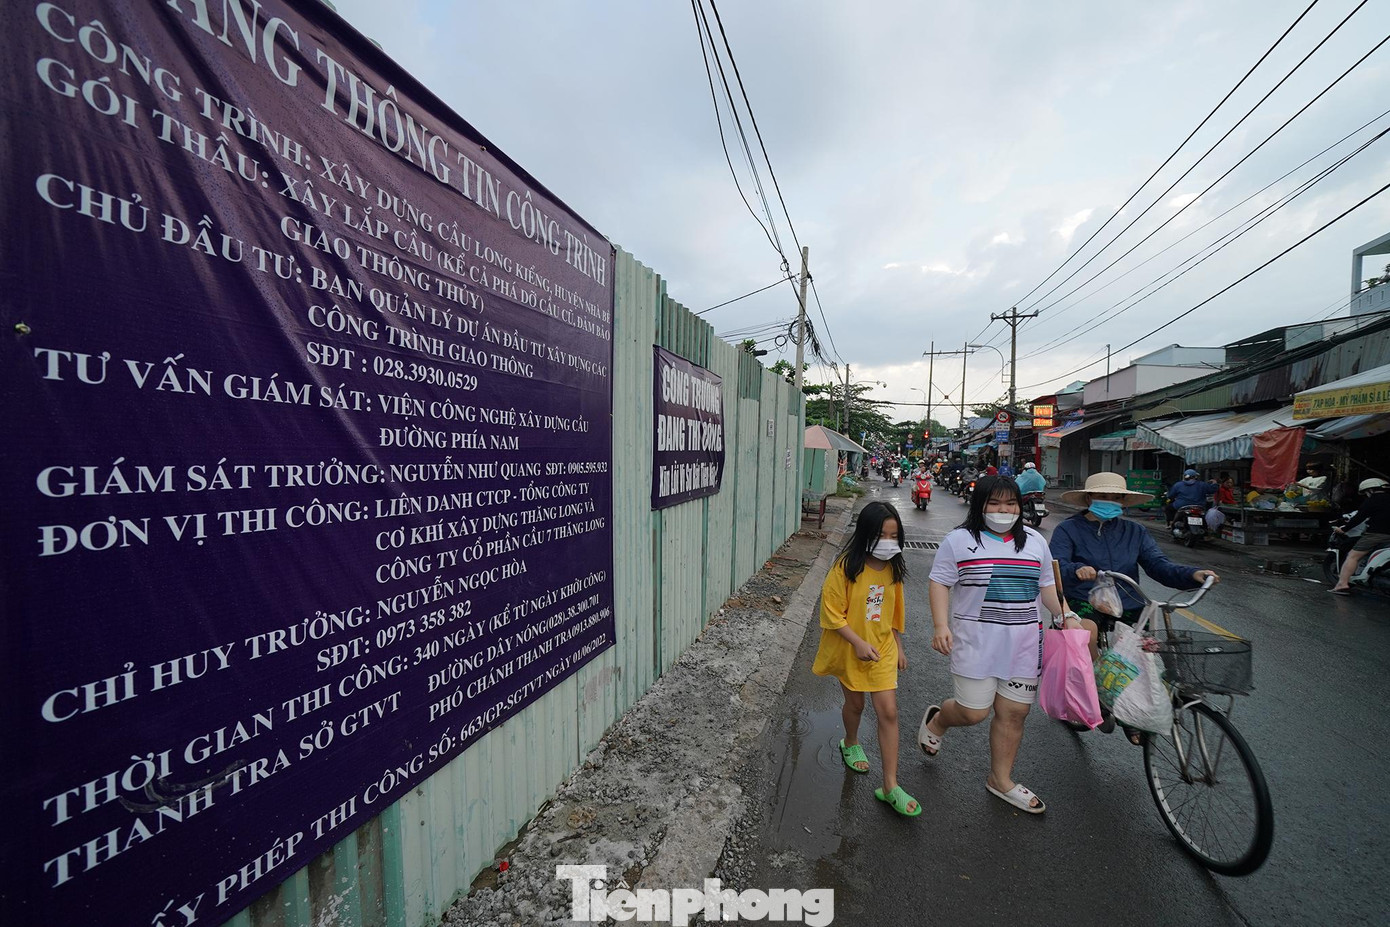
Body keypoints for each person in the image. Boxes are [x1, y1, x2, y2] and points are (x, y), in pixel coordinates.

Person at [917, 476, 1078, 815]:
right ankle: (939, 721)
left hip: (1024, 644)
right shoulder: (958, 541)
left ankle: (1000, 779)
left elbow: (1046, 586)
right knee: (973, 712)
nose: (1003, 510)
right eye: (994, 503)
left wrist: (1065, 614)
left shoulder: (1034, 541)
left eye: (1010, 504)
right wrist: (941, 625)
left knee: (1015, 713)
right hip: (975, 643)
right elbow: (940, 582)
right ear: (980, 505)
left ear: (1020, 506)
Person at [1050, 472, 1219, 741]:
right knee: (1085, 634)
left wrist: (1193, 574)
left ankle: (1134, 705)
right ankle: (1096, 690)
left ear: (1123, 501)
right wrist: (1077, 569)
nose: (1109, 501)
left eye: (1115, 497)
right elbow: (1056, 565)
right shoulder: (1068, 529)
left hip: (1128, 600)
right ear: (1089, 498)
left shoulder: (1135, 532)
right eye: (1103, 496)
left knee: (1146, 649)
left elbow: (1158, 565)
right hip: (1083, 598)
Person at [812, 501, 919, 816]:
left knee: (889, 711)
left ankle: (890, 785)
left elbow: (893, 612)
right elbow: (831, 612)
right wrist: (857, 642)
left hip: (882, 648)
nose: (888, 542)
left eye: (893, 536)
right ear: (865, 534)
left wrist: (898, 645)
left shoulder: (893, 568)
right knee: (856, 705)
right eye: (881, 535)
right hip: (851, 648)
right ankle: (850, 741)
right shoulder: (846, 567)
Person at [1330, 478, 1390, 595]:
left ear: (1370, 490)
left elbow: (1359, 518)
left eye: (1366, 492)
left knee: (1353, 556)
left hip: (1376, 535)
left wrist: (1344, 529)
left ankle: (1342, 584)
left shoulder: (1372, 500)